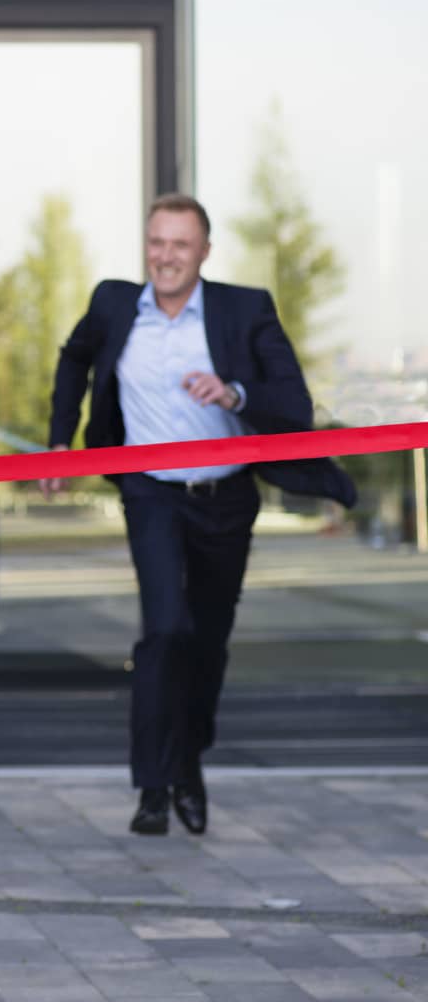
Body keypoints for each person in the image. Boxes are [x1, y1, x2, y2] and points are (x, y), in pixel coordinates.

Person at [41, 193, 354, 838]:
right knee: (165, 630)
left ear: (204, 252)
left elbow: (294, 406)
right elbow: (74, 358)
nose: (165, 256)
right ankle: (153, 788)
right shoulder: (113, 304)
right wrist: (57, 440)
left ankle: (187, 759)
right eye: (156, 242)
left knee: (206, 643)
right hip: (151, 492)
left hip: (226, 499)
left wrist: (233, 392)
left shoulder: (244, 310)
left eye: (180, 244)